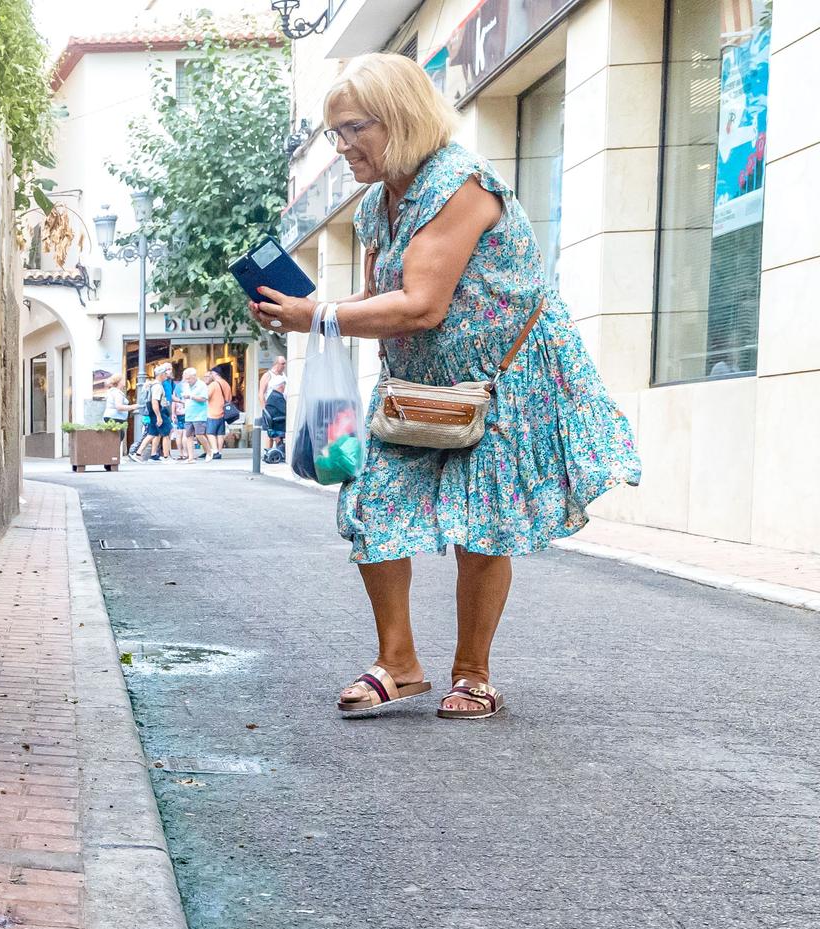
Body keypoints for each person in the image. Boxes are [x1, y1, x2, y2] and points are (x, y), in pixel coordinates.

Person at [250, 52, 639, 720]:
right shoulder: (377, 205)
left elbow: (424, 303)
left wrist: (315, 315)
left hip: (499, 383)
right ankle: (398, 662)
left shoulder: (460, 185)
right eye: (334, 133)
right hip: (414, 386)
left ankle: (473, 674)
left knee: (482, 528)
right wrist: (308, 307)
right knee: (372, 508)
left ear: (397, 119)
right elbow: (381, 305)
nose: (342, 146)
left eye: (352, 129)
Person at [134, 363, 172, 461]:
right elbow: (155, 401)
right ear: (161, 374)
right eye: (165, 373)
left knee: (152, 433)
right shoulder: (158, 386)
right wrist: (159, 416)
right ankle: (166, 457)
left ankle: (138, 453)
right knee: (166, 433)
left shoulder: (152, 385)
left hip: (152, 412)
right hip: (158, 411)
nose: (166, 375)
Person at [179, 367, 210, 460]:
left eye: (188, 378)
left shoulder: (202, 385)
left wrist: (191, 396)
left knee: (199, 434)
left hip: (199, 414)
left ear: (194, 376)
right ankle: (191, 458)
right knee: (188, 436)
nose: (187, 381)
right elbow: (184, 397)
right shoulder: (185, 385)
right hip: (188, 414)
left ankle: (209, 451)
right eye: (185, 378)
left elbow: (204, 399)